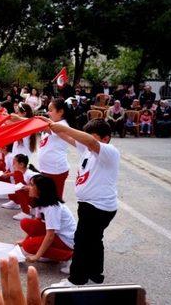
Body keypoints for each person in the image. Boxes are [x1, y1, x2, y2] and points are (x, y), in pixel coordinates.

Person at [41, 118, 119, 287]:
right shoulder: (88, 149)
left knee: (82, 240)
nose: (86, 140)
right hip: (90, 204)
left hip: (98, 206)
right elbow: (67, 137)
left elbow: (88, 140)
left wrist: (65, 128)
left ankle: (76, 279)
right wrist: (49, 124)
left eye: (92, 137)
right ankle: (95, 274)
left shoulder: (109, 151)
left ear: (105, 139)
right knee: (94, 240)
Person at [17, 175, 76, 264]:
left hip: (66, 240)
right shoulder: (40, 201)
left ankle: (71, 257)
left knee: (29, 246)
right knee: (25, 223)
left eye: (32, 185)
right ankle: (50, 256)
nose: (29, 187)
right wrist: (24, 240)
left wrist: (37, 256)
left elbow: (50, 236)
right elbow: (37, 223)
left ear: (41, 189)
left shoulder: (51, 208)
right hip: (58, 235)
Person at [37, 98, 73, 200]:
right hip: (47, 168)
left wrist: (23, 120)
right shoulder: (53, 124)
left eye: (51, 110)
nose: (48, 113)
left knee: (54, 200)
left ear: (61, 112)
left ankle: (55, 216)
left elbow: (40, 126)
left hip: (55, 170)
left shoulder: (61, 125)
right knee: (46, 199)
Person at [1, 154, 40, 221]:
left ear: (21, 165)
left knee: (19, 189)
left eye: (14, 163)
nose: (13, 165)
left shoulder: (30, 174)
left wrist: (28, 187)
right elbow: (16, 174)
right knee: (19, 185)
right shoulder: (24, 172)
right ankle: (34, 208)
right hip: (36, 196)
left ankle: (26, 212)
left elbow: (40, 185)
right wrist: (9, 174)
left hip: (40, 196)